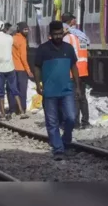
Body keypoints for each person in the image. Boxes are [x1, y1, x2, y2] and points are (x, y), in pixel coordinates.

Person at [33, 20, 80, 160]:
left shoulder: (68, 48)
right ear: (50, 35)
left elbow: (74, 67)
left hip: (67, 89)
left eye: (60, 34)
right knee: (52, 121)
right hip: (50, 91)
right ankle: (58, 148)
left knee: (71, 117)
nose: (58, 36)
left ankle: (65, 140)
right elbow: (36, 67)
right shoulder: (43, 49)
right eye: (55, 34)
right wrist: (38, 83)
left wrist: (78, 86)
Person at [0, 20, 24, 119]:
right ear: (3, 27)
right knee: (14, 89)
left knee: (0, 92)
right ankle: (22, 111)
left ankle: (2, 113)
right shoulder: (9, 38)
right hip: (10, 67)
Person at [62, 12, 90, 127]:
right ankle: (85, 122)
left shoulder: (68, 38)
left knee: (74, 98)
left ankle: (76, 123)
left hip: (72, 71)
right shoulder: (82, 36)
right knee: (82, 97)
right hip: (83, 70)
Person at [12, 21, 33, 114]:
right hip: (21, 69)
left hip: (12, 67)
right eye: (25, 29)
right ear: (20, 30)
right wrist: (28, 70)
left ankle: (15, 108)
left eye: (27, 29)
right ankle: (22, 109)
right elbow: (23, 58)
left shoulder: (12, 38)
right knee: (22, 90)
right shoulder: (23, 41)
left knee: (14, 89)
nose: (27, 31)